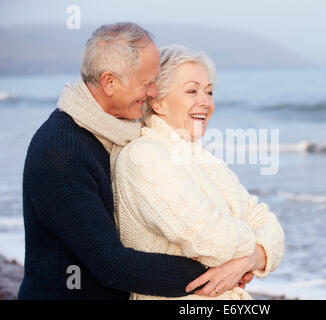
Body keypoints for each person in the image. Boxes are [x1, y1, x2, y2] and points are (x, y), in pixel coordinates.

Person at [19, 22, 253, 300]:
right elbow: (112, 265)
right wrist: (220, 275)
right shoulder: (60, 153)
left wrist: (245, 261)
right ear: (109, 82)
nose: (155, 92)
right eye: (148, 83)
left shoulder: (117, 134)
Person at [113, 45, 285, 300]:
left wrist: (248, 259)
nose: (205, 102)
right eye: (192, 91)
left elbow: (266, 221)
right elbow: (214, 242)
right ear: (158, 102)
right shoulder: (144, 156)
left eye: (209, 92)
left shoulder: (203, 158)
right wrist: (255, 253)